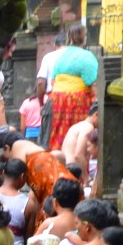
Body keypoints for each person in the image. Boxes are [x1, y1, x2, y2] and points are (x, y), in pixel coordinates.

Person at [44, 23, 99, 151]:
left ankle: (58, 157)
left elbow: (53, 80)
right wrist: (98, 102)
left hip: (57, 99)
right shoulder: (87, 56)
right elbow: (92, 82)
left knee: (59, 132)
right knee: (79, 135)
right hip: (77, 100)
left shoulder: (60, 56)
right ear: (84, 38)